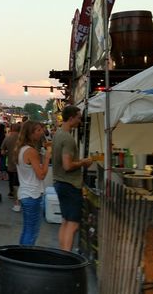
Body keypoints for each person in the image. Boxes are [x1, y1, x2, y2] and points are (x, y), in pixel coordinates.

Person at [52, 105, 92, 252]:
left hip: (60, 183)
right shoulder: (68, 138)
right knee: (73, 224)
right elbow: (67, 165)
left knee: (65, 221)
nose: (80, 121)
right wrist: (84, 162)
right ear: (71, 118)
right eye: (78, 118)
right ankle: (66, 257)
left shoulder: (58, 134)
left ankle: (62, 254)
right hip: (70, 184)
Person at [16, 121, 51, 245]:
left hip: (26, 192)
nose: (41, 132)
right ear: (30, 133)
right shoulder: (31, 151)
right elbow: (41, 175)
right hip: (33, 194)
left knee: (27, 230)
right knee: (32, 231)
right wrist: (47, 158)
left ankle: (22, 256)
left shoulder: (21, 149)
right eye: (38, 130)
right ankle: (26, 258)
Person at [2, 123, 22, 212]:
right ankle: (19, 196)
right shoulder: (22, 138)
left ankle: (12, 193)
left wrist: (8, 153)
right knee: (19, 181)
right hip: (21, 163)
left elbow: (2, 151)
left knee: (11, 180)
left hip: (10, 162)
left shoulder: (8, 138)